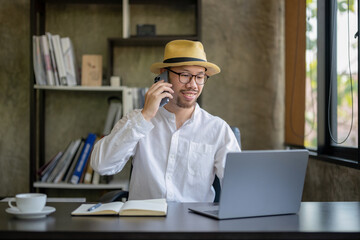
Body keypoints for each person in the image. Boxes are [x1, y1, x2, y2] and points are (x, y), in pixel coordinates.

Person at [91, 40, 241, 202]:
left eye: (200, 77)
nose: (193, 85)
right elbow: (101, 166)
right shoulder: (136, 121)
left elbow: (240, 187)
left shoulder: (217, 129)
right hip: (144, 224)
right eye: (184, 75)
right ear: (164, 74)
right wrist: (145, 116)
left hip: (194, 224)